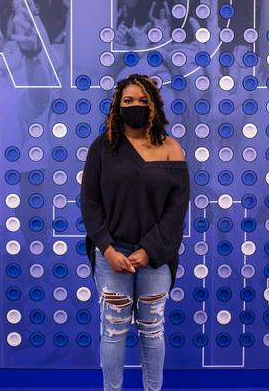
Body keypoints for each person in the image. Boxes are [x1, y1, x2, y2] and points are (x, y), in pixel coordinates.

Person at [80, 74, 190, 391]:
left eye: (143, 100)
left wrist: (149, 250)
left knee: (152, 328)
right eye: (128, 101)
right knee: (113, 329)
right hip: (111, 255)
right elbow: (90, 204)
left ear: (154, 105)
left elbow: (176, 209)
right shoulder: (102, 148)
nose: (135, 106)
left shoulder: (171, 149)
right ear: (117, 105)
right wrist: (108, 249)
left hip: (156, 257)